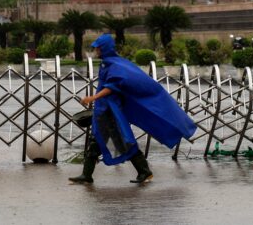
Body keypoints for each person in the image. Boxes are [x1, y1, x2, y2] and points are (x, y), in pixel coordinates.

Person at [69, 34, 196, 184]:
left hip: (110, 111)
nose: (95, 50)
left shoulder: (115, 65)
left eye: (98, 48)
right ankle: (90, 174)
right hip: (103, 110)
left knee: (118, 141)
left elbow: (112, 87)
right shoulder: (108, 64)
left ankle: (142, 171)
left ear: (104, 48)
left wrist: (92, 98)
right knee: (101, 141)